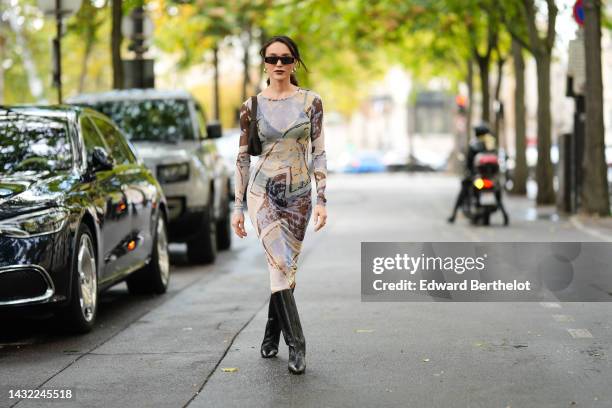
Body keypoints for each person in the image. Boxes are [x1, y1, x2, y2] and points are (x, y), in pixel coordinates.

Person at [231, 35, 328, 375]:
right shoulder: (251, 106)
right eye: (272, 58)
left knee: (286, 270)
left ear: (295, 62)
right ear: (264, 62)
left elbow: (319, 151)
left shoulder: (311, 102)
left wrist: (322, 199)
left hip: (299, 196)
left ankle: (271, 331)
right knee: (279, 264)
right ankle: (297, 344)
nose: (279, 64)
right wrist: (238, 206)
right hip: (263, 193)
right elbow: (242, 159)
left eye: (285, 58)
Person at [447, 124, 496, 223]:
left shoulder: (474, 144)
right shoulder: (491, 143)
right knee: (497, 189)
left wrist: (468, 172)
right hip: (490, 177)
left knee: (463, 190)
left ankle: (454, 215)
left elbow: (468, 162)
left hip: (476, 176)